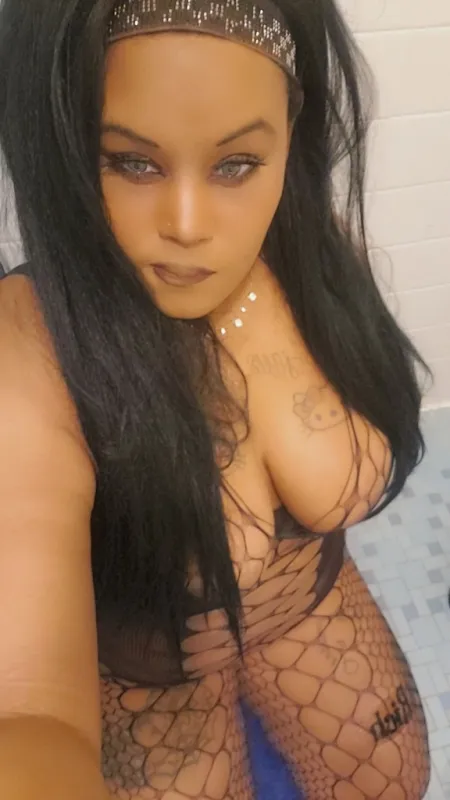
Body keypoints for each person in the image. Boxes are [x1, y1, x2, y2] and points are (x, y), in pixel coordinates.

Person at [0, 0, 431, 798]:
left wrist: (255, 314)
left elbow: (356, 476)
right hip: (154, 682)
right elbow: (28, 707)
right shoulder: (27, 351)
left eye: (236, 165)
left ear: (289, 137)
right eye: (132, 162)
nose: (189, 225)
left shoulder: (312, 258)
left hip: (303, 612)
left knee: (387, 778)